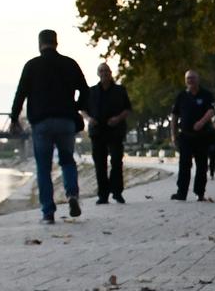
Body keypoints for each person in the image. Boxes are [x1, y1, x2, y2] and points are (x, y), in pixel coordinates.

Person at [10, 29, 89, 223]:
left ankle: (48, 212)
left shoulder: (32, 66)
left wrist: (14, 119)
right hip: (65, 121)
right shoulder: (70, 64)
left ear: (40, 44)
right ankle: (72, 195)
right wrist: (75, 107)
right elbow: (86, 91)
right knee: (67, 160)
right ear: (56, 43)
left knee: (43, 168)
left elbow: (20, 93)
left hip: (41, 123)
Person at [85, 63, 132, 204]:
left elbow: (128, 109)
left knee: (117, 161)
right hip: (97, 131)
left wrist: (118, 118)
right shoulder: (91, 91)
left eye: (106, 71)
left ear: (111, 73)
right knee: (100, 164)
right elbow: (83, 109)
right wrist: (89, 119)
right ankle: (103, 195)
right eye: (101, 71)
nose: (104, 73)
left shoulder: (120, 90)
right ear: (98, 73)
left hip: (115, 131)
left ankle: (117, 192)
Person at [170, 69, 215, 201]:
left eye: (192, 78)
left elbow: (211, 111)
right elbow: (174, 116)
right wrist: (174, 136)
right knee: (184, 165)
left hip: (202, 136)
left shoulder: (206, 95)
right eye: (188, 78)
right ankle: (181, 192)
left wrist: (201, 122)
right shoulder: (181, 96)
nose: (190, 80)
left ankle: (199, 192)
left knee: (202, 165)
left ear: (198, 79)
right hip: (185, 136)